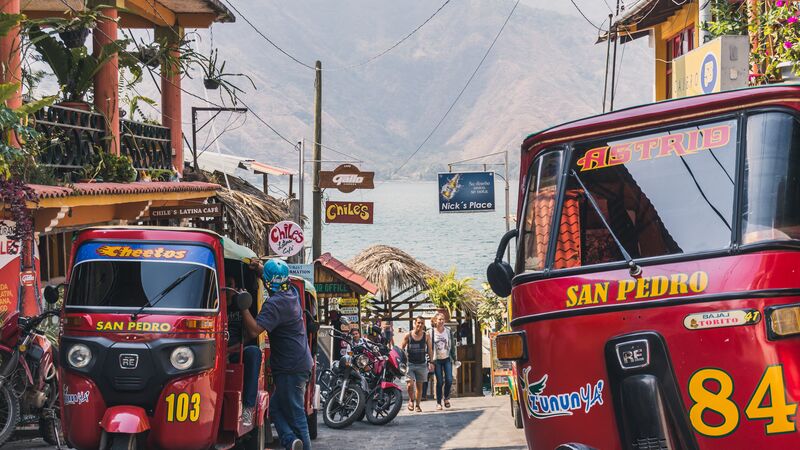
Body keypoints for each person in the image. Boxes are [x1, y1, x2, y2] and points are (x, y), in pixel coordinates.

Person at [242, 259, 312, 450]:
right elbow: (271, 279)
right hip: (297, 363)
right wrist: (260, 270)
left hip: (291, 367)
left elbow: (254, 331)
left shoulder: (275, 305)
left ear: (267, 283)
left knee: (296, 415)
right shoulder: (292, 293)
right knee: (274, 408)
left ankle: (298, 443)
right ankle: (291, 441)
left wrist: (243, 307)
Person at [225, 276, 262, 428]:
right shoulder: (212, 303)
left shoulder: (240, 307)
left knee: (253, 352)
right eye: (224, 285)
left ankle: (248, 407)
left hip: (235, 351)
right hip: (212, 351)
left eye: (230, 285)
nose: (227, 289)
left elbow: (250, 335)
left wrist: (243, 304)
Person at [400, 317, 433, 412]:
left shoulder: (426, 336)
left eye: (422, 323)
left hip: (422, 364)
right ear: (414, 323)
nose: (420, 325)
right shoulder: (408, 335)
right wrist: (402, 362)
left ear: (424, 325)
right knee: (410, 385)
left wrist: (431, 362)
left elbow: (430, 349)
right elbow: (401, 349)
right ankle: (411, 400)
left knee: (419, 387)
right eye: (418, 323)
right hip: (410, 364)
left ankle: (418, 405)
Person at [432, 312, 457, 410]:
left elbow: (452, 346)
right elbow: (429, 346)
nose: (441, 321)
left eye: (442, 319)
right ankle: (439, 402)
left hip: (447, 358)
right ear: (435, 321)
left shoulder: (448, 331)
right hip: (437, 359)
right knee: (439, 381)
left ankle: (446, 398)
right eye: (439, 319)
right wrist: (430, 360)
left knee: (449, 380)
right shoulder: (432, 332)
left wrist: (454, 358)